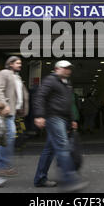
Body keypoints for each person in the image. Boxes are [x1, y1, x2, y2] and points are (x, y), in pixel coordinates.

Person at [33, 60, 89, 192]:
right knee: (63, 146)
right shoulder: (50, 80)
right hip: (53, 117)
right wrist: (39, 115)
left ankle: (40, 179)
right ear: (57, 69)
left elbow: (68, 104)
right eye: (64, 68)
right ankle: (70, 180)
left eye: (69, 68)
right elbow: (40, 96)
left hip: (64, 119)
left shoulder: (67, 84)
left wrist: (72, 120)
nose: (67, 70)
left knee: (49, 150)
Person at [0, 56, 29, 177]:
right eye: (17, 63)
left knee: (7, 138)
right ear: (10, 64)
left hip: (13, 112)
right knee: (8, 137)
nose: (20, 65)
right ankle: (1, 166)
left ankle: (2, 165)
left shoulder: (17, 77)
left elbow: (18, 95)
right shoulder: (4, 73)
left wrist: (20, 108)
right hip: (6, 112)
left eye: (20, 63)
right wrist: (5, 105)